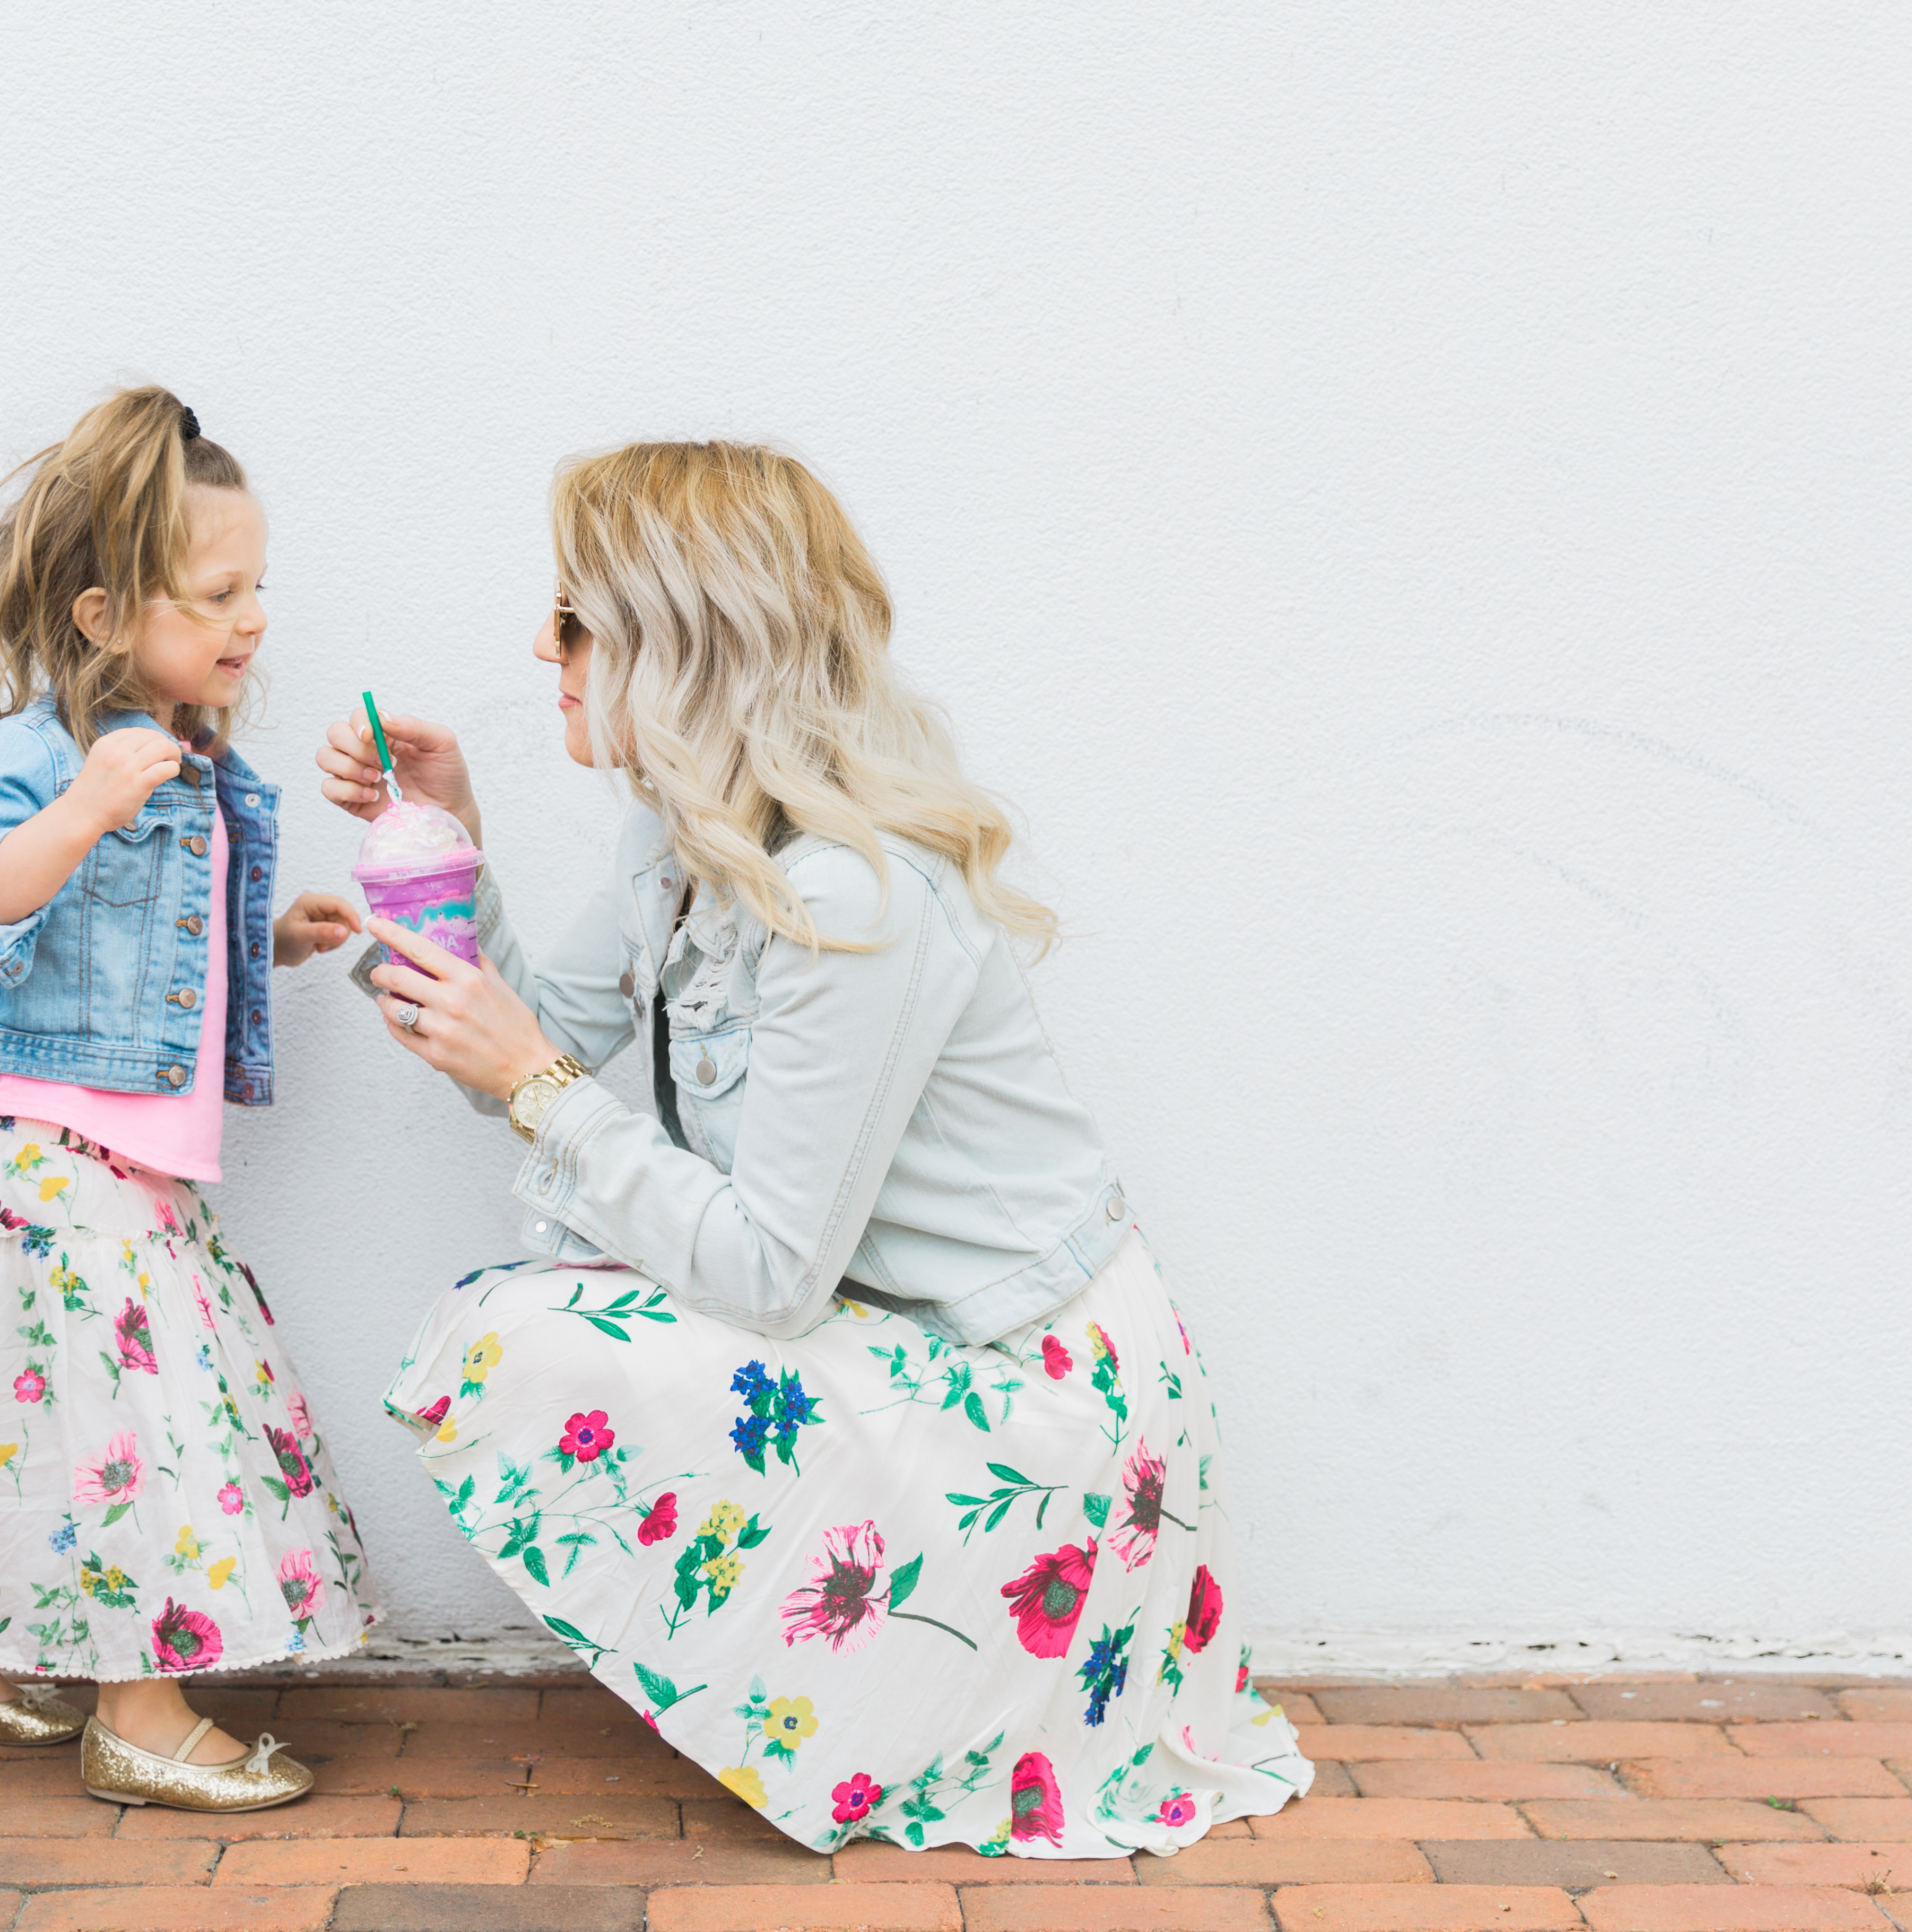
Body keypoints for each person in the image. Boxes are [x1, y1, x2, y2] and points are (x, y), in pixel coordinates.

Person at [317, 440, 1309, 1857]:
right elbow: (532, 1056)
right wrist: (448, 846)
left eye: (577, 617)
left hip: (1036, 1390)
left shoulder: (850, 890)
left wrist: (534, 1077)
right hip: (920, 1347)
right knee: (511, 1324)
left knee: (522, 1332)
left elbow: (767, 1266)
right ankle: (879, 1687)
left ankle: (910, 1692)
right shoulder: (680, 847)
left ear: (684, 641)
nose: (544, 646)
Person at [0, 386, 371, 1813]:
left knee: (25, 1420)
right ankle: (139, 1715)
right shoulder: (49, 758)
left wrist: (266, 940)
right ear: (99, 615)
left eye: (259, 585)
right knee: (133, 1438)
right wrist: (82, 805)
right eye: (219, 590)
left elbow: (140, 947)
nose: (253, 616)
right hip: (50, 1153)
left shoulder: (194, 755)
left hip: (121, 1159)